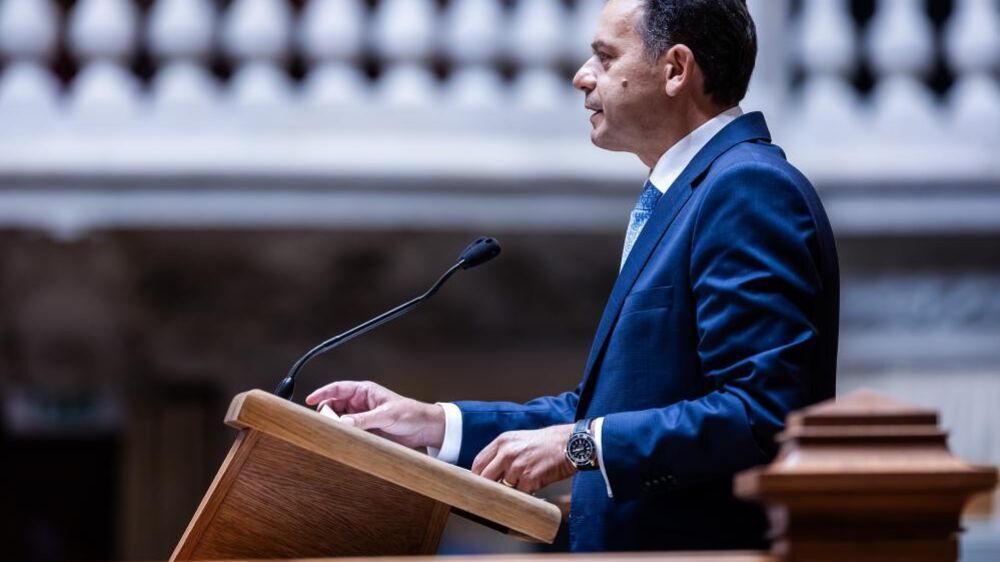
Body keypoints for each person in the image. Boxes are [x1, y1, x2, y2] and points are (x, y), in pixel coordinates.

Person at [307, 0, 839, 552]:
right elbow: (603, 411)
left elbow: (760, 412)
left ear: (676, 70)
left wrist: (580, 446)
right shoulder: (690, 193)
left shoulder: (746, 189)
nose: (582, 76)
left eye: (605, 58)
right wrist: (435, 423)